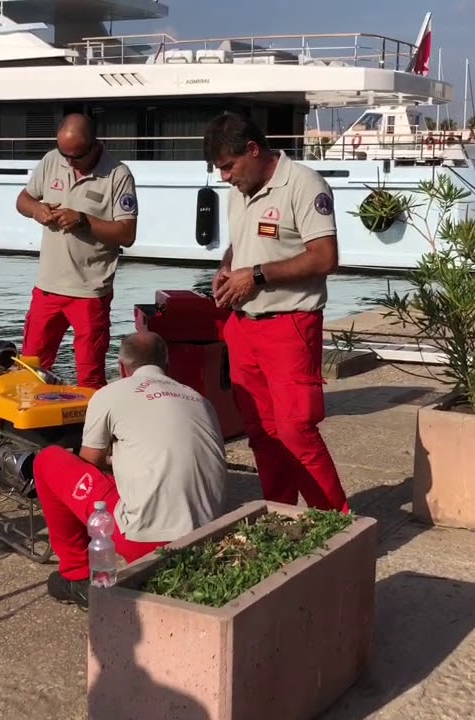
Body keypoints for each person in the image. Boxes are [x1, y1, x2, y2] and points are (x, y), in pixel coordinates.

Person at [203, 111, 350, 514]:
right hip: (244, 326)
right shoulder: (240, 191)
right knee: (262, 433)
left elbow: (325, 258)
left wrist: (257, 276)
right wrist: (227, 269)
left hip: (289, 325)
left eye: (228, 167)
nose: (225, 177)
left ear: (253, 150)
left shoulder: (303, 184)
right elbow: (241, 244)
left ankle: (334, 519)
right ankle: (279, 511)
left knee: (295, 430)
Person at [32, 331, 229, 608]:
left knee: (48, 461)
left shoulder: (110, 394)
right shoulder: (200, 399)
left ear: (122, 367)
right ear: (167, 365)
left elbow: (89, 464)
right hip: (207, 536)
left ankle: (76, 575)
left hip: (145, 542)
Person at [15, 113, 139, 389]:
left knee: (90, 377)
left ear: (95, 144)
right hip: (47, 287)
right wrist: (37, 209)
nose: (69, 162)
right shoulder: (51, 160)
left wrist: (84, 220)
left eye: (77, 156)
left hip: (89, 292)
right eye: (65, 154)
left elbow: (127, 234)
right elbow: (23, 200)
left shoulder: (118, 175)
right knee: (30, 371)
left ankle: (91, 431)